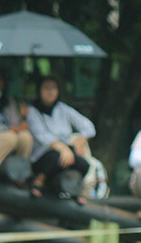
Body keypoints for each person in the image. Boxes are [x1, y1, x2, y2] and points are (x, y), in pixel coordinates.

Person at [26, 75, 94, 203]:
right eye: (46, 88)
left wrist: (80, 140)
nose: (50, 92)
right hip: (43, 155)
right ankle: (39, 181)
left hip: (66, 155)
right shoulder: (32, 111)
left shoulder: (63, 109)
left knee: (84, 165)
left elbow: (89, 127)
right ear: (39, 91)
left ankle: (76, 188)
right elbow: (42, 136)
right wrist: (62, 148)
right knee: (54, 158)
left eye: (53, 88)